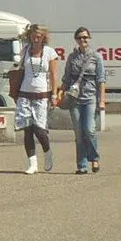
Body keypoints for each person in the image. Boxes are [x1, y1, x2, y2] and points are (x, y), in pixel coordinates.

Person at [59, 26, 106, 174]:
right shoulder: (72, 57)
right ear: (76, 40)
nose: (82, 40)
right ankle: (82, 165)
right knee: (79, 133)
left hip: (90, 97)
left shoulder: (96, 57)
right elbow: (66, 78)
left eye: (85, 37)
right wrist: (60, 92)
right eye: (80, 37)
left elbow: (101, 80)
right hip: (75, 98)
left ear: (89, 38)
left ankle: (95, 158)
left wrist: (102, 100)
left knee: (89, 129)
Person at [14, 23, 58, 175]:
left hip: (42, 95)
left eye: (39, 35)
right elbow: (20, 70)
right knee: (27, 129)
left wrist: (54, 94)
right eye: (33, 35)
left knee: (39, 129)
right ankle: (32, 163)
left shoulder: (50, 53)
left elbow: (53, 75)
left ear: (43, 37)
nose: (36, 38)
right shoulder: (25, 51)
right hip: (25, 94)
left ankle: (47, 152)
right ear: (30, 36)